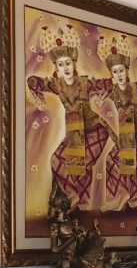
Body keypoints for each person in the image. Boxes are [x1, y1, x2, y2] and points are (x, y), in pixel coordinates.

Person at [27, 24, 114, 209]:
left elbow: (106, 83)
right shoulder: (56, 84)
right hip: (74, 133)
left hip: (94, 131)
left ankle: (79, 202)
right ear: (57, 68)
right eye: (61, 64)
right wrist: (36, 90)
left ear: (74, 63)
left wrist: (106, 88)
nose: (65, 67)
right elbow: (34, 81)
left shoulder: (84, 83)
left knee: (80, 166)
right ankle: (72, 202)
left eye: (68, 63)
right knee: (56, 160)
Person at [98, 33, 137, 208]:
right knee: (111, 159)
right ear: (111, 74)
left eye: (121, 70)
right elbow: (97, 89)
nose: (119, 74)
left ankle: (132, 200)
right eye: (115, 71)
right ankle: (116, 198)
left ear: (126, 70)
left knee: (133, 164)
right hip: (128, 136)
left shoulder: (135, 88)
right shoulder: (111, 91)